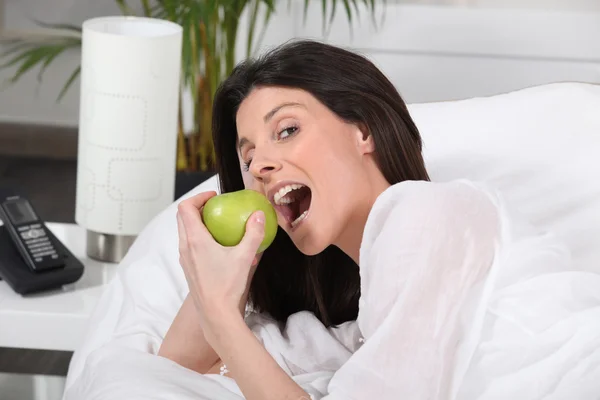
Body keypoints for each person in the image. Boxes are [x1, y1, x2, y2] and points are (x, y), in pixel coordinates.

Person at [158, 40, 599, 399]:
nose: (258, 168)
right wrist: (222, 272)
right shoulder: (368, 322)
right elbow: (180, 368)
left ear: (362, 131)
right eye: (248, 156)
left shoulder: (428, 215)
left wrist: (221, 316)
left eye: (287, 130)